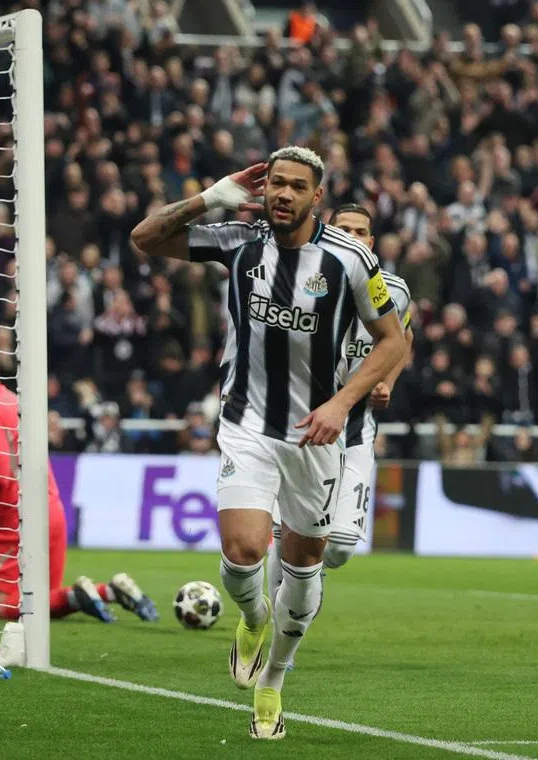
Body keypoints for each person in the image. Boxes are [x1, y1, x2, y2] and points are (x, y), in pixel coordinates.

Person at [130, 149, 408, 739]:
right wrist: (210, 196)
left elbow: (391, 341)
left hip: (316, 433)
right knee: (245, 549)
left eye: (296, 186)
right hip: (247, 421)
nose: (282, 193)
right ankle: (254, 617)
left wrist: (340, 402)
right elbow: (146, 237)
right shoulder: (238, 240)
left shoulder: (351, 260)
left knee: (308, 559)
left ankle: (273, 683)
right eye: (275, 183)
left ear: (316, 199)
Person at [267, 204, 414, 608]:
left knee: (342, 546)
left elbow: (403, 340)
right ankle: (280, 629)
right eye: (342, 228)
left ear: (371, 242)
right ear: (327, 232)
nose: (351, 236)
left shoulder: (395, 292)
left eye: (360, 231)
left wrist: (388, 380)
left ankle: (304, 583)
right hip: (304, 425)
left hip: (356, 427)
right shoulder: (302, 280)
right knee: (290, 534)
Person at [0, 335, 158, 624]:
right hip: (51, 508)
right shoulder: (16, 402)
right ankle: (108, 591)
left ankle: (77, 596)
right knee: (45, 600)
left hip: (16, 515)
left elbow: (0, 474)